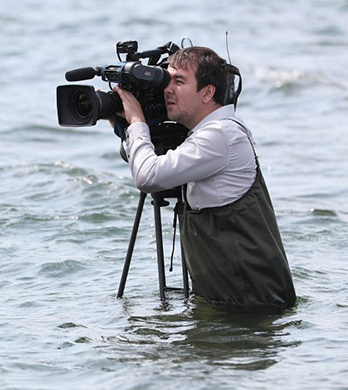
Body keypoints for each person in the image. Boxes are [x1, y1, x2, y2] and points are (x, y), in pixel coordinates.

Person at [113, 46, 296, 312]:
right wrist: (121, 122)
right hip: (235, 302)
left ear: (208, 92)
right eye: (166, 79)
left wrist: (137, 123)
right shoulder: (206, 135)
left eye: (179, 81)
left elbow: (148, 176)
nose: (167, 89)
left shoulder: (220, 135)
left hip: (254, 306)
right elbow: (150, 166)